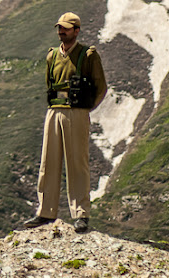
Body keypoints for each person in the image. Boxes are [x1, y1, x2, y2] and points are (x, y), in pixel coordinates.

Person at [24, 12, 107, 233]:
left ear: (76, 30)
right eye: (59, 28)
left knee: (77, 164)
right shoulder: (51, 56)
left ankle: (81, 214)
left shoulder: (88, 55)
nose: (61, 31)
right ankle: (45, 212)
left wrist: (85, 109)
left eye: (66, 28)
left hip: (76, 113)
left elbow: (101, 87)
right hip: (53, 111)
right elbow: (49, 84)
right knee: (47, 163)